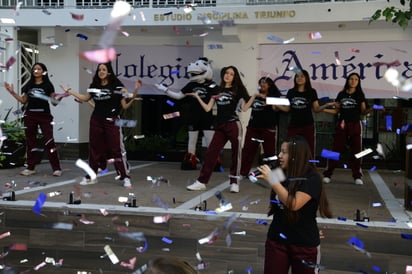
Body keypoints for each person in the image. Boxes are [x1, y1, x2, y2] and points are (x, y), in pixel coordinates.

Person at [256, 135, 332, 274]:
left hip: (303, 244)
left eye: (284, 152)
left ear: (296, 155)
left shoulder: (312, 178)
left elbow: (294, 204)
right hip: (277, 240)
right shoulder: (281, 173)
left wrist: (272, 180)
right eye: (280, 151)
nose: (279, 155)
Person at [61, 62, 141, 188]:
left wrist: (135, 90)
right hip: (96, 120)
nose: (101, 71)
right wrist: (70, 91)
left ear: (109, 71)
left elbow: (127, 100)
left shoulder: (117, 86)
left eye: (104, 69)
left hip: (112, 120)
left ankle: (125, 176)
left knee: (116, 149)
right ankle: (91, 176)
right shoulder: (94, 86)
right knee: (94, 148)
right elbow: (84, 98)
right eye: (99, 70)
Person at [186, 66, 250, 193]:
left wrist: (253, 97)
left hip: (233, 125)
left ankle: (234, 182)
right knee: (211, 152)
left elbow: (244, 108)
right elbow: (208, 108)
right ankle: (201, 181)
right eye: (226, 73)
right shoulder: (216, 89)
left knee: (236, 153)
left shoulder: (238, 90)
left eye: (231, 74)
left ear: (234, 77)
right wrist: (197, 97)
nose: (228, 75)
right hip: (220, 126)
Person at [156, 57, 219, 170]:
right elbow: (179, 96)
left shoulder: (213, 86)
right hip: (193, 116)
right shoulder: (191, 85)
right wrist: (164, 90)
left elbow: (219, 100)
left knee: (210, 141)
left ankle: (213, 163)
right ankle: (190, 161)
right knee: (192, 141)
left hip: (207, 117)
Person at [4, 62, 63, 177]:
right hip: (30, 116)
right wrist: (11, 92)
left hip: (44, 116)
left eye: (39, 69)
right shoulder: (29, 85)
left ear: (43, 71)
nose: (36, 71)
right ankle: (30, 168)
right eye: (34, 69)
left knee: (49, 141)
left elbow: (54, 103)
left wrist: (60, 97)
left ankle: (56, 168)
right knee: (31, 142)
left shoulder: (48, 85)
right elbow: (23, 101)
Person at [322, 72, 371, 185]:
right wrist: (322, 109)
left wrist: (373, 108)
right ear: (348, 80)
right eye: (351, 79)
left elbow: (364, 111)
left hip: (355, 125)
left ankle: (357, 176)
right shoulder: (341, 94)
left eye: (356, 79)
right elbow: (336, 111)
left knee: (357, 151)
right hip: (342, 124)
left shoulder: (360, 95)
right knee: (335, 149)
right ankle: (328, 174)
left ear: (358, 82)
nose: (353, 81)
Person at [279, 69, 334, 157]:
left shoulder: (312, 92)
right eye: (297, 76)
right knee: (291, 148)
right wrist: (276, 105)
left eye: (302, 76)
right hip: (293, 125)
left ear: (306, 79)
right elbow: (287, 109)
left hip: (307, 125)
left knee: (309, 149)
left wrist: (326, 105)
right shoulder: (291, 92)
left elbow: (316, 109)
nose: (299, 78)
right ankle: (292, 169)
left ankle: (310, 168)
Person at [240, 76, 283, 178]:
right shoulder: (255, 96)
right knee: (248, 150)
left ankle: (273, 175)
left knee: (270, 153)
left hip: (268, 128)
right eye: (261, 82)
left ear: (270, 85)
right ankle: (243, 172)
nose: (262, 84)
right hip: (253, 127)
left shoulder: (274, 97)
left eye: (265, 82)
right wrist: (254, 96)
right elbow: (245, 108)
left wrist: (270, 101)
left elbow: (281, 108)